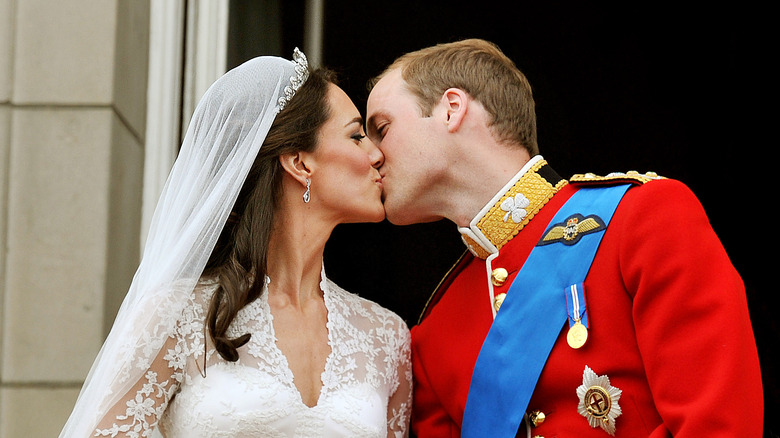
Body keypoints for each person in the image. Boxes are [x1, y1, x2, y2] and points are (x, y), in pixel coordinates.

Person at [366, 38, 762, 437]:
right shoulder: (433, 333)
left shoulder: (642, 217)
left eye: (381, 129)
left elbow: (719, 425)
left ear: (451, 109)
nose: (371, 155)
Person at [59, 49, 412, 438]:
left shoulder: (388, 337)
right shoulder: (176, 317)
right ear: (300, 162)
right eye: (356, 135)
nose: (377, 154)